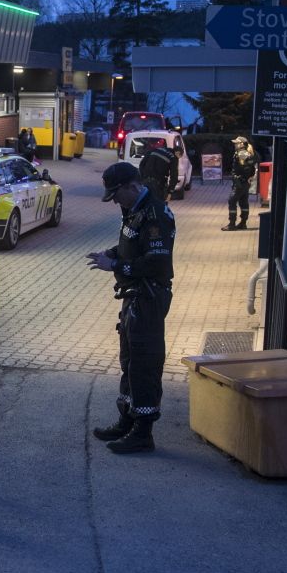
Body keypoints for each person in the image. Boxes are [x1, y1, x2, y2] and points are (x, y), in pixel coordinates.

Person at [86, 153, 176, 455]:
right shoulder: (135, 210)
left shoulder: (155, 214)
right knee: (129, 361)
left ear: (131, 186)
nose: (114, 202)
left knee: (145, 364)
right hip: (134, 296)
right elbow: (131, 245)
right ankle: (126, 419)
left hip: (148, 297)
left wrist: (116, 266)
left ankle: (143, 432)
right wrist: (111, 253)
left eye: (116, 195)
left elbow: (155, 262)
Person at [224, 136, 258, 231]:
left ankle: (232, 224)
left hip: (240, 182)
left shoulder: (242, 153)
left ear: (242, 144)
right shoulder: (247, 152)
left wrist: (242, 176)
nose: (235, 144)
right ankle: (243, 223)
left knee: (232, 201)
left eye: (237, 143)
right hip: (245, 182)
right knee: (243, 202)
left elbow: (246, 167)